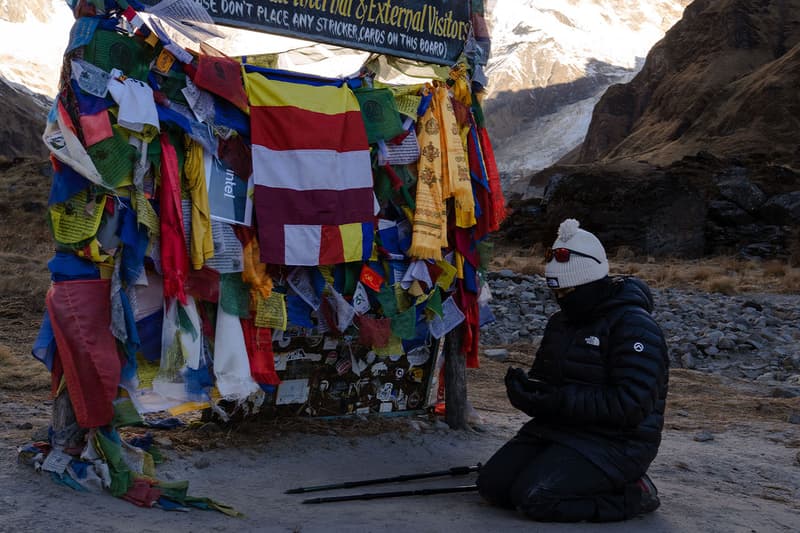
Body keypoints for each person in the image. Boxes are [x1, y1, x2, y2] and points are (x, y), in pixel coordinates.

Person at [477, 218, 669, 522]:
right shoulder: (561, 323)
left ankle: (634, 494)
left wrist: (557, 400)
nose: (561, 300)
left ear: (592, 284)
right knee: (492, 486)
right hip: (559, 429)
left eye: (568, 292)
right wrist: (527, 393)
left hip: (617, 443)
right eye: (556, 292)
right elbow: (550, 385)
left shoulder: (634, 327)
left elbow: (631, 405)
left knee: (535, 498)